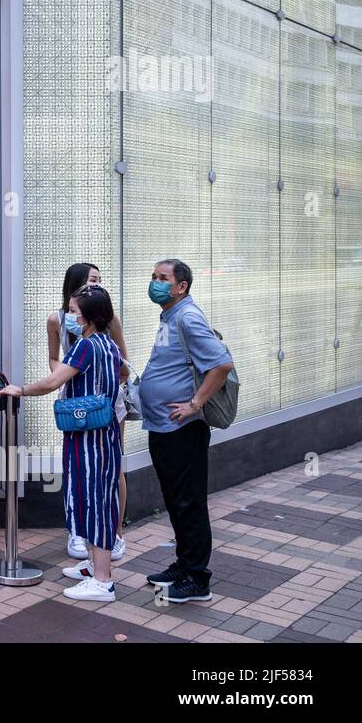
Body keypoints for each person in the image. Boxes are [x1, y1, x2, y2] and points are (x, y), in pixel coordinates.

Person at [0, 284, 124, 602]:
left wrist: (20, 389)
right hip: (103, 434)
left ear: (89, 317)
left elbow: (54, 381)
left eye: (73, 312)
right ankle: (94, 565)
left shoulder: (85, 346)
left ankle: (102, 580)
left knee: (95, 504)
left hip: (89, 439)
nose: (68, 316)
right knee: (97, 499)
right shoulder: (107, 343)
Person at [137, 258, 233, 604]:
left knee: (189, 502)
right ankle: (183, 564)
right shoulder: (171, 316)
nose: (155, 283)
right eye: (153, 276)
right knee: (176, 501)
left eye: (163, 278)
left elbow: (221, 364)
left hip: (183, 429)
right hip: (163, 426)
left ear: (182, 287)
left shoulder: (189, 317)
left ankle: (197, 579)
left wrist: (194, 404)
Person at [47, 262, 130, 562]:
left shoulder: (108, 321)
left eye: (99, 281)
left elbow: (123, 364)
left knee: (111, 468)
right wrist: (69, 375)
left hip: (107, 403)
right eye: (91, 281)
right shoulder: (56, 320)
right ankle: (80, 532)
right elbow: (53, 360)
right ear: (75, 286)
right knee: (78, 468)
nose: (96, 286)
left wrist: (98, 386)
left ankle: (114, 533)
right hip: (73, 402)